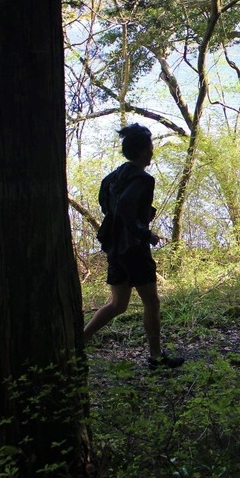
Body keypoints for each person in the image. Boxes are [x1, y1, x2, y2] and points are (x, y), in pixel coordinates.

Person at [84, 124, 184, 370]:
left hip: (114, 247)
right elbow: (125, 208)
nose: (152, 152)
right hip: (134, 249)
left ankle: (78, 341)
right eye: (150, 148)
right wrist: (145, 233)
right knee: (152, 301)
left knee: (118, 304)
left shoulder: (112, 177)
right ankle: (156, 357)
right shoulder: (142, 178)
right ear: (142, 151)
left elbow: (107, 206)